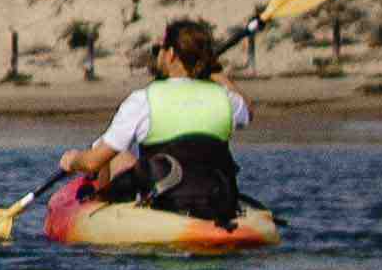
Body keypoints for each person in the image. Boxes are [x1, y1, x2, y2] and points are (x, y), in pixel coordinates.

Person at [58, 19, 251, 224]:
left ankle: (98, 206)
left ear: (171, 55)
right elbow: (248, 111)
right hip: (218, 204)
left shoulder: (142, 101)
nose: (157, 54)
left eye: (159, 49)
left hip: (165, 206)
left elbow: (92, 162)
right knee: (124, 157)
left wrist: (73, 160)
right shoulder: (225, 99)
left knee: (116, 157)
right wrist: (215, 73)